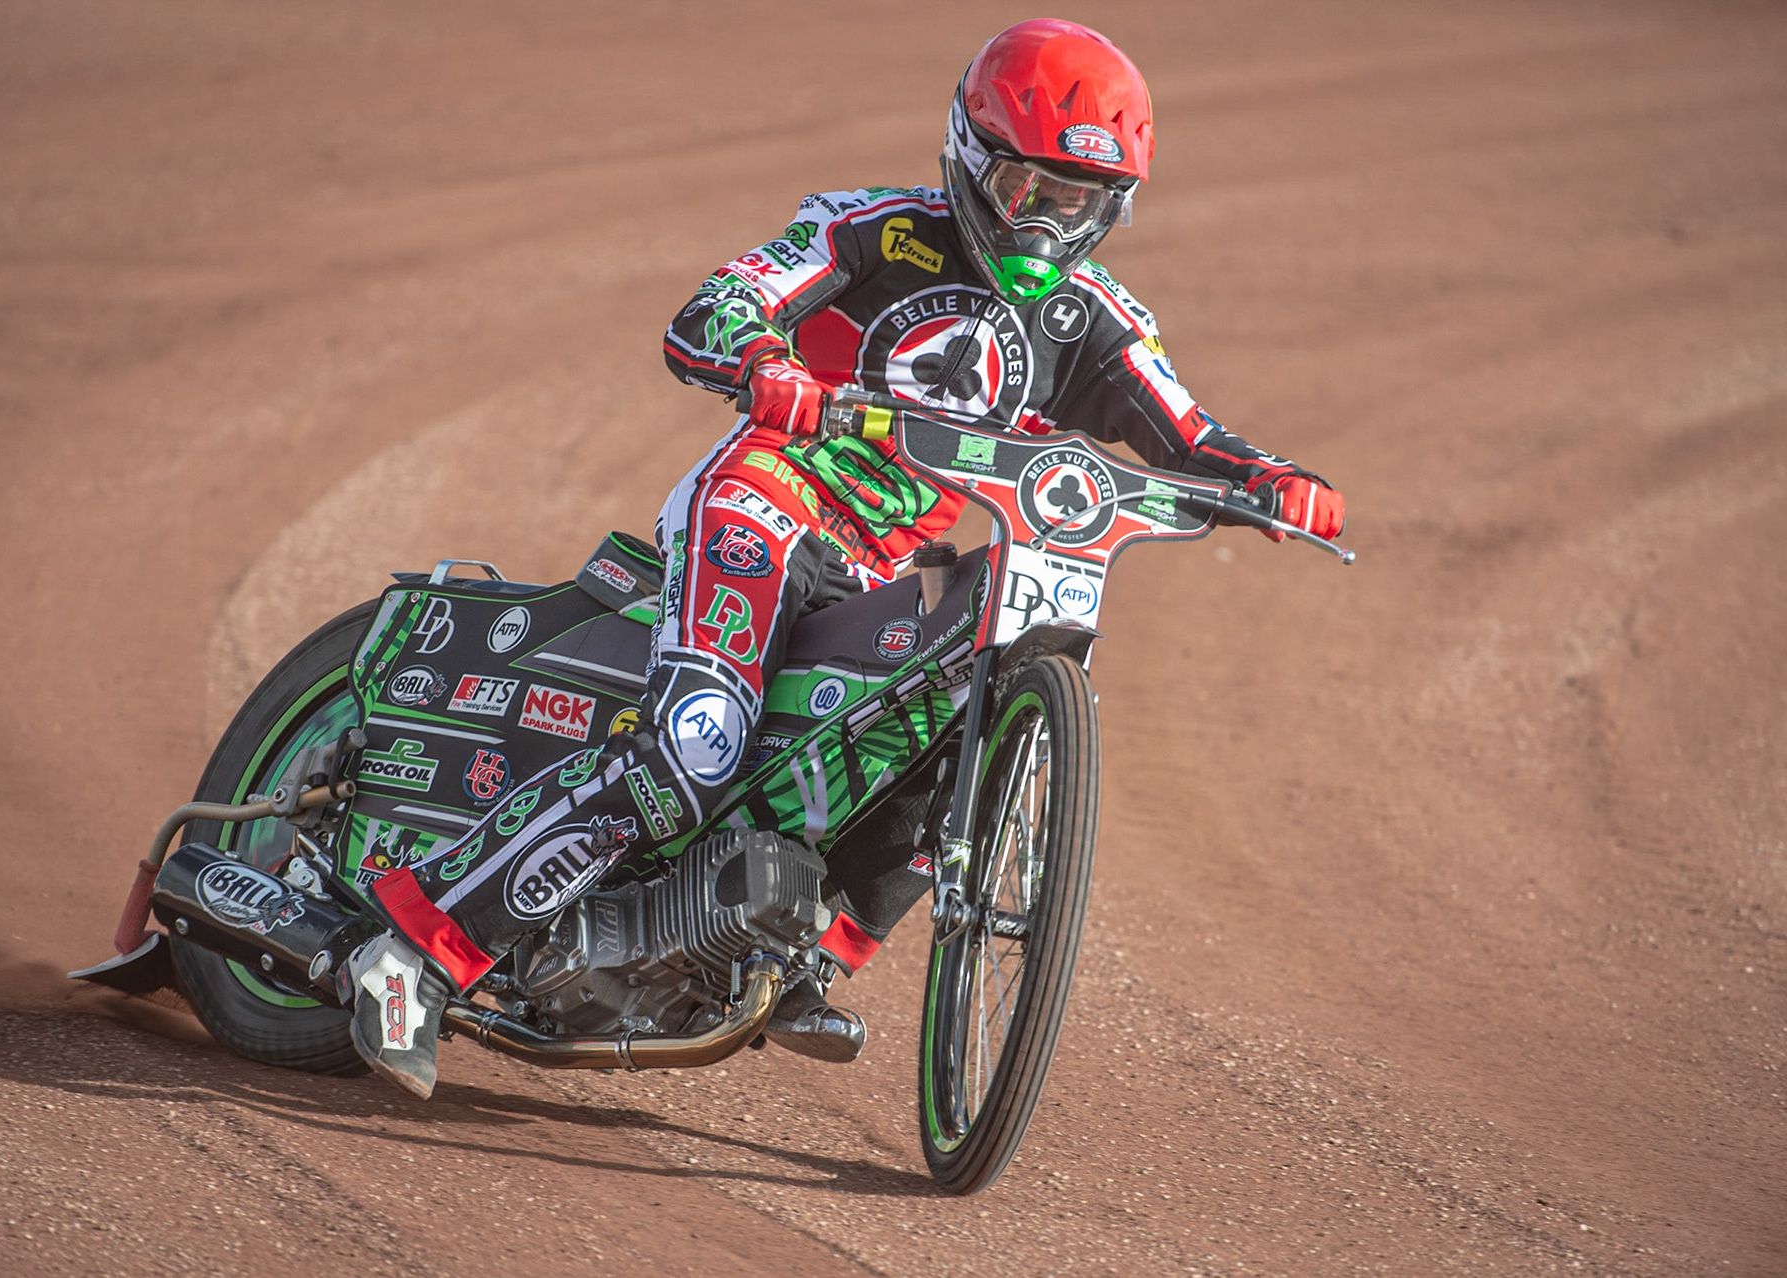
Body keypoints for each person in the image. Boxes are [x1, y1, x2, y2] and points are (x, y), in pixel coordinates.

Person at [346, 18, 1346, 1098]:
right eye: (1028, 190)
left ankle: (804, 956)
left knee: (952, 723)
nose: (1051, 224)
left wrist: (1274, 482)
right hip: (766, 505)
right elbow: (713, 308)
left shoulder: (1093, 318)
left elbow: (1192, 436)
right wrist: (764, 361)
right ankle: (412, 955)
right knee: (695, 743)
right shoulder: (869, 230)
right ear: (970, 156)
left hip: (873, 569)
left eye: (1082, 203)